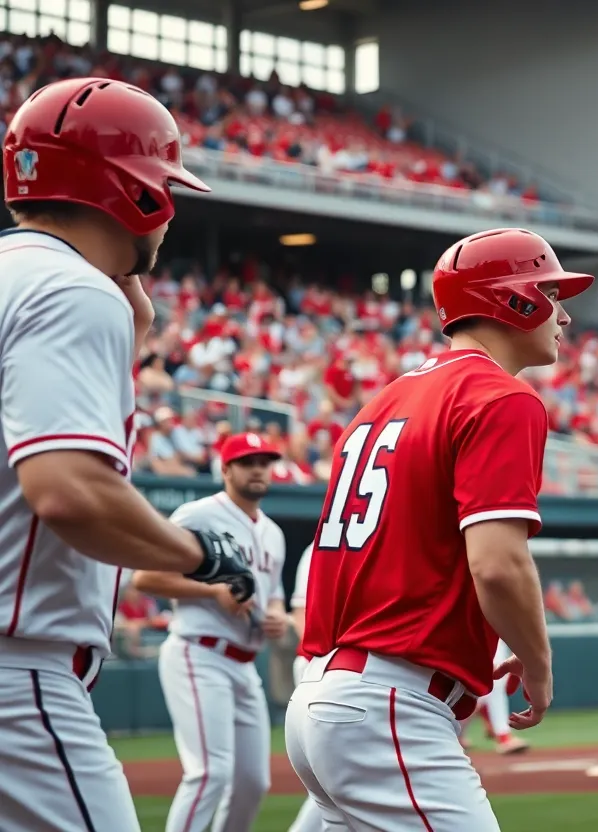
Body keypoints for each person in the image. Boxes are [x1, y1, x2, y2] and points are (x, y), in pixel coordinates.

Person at [0, 77, 254, 832]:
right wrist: (195, 553)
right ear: (133, 193)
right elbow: (69, 492)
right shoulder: (72, 289)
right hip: (18, 680)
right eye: (165, 187)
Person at [285, 228, 594, 831]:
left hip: (329, 695)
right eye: (551, 293)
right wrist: (537, 662)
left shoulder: (384, 399)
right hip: (389, 705)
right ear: (515, 299)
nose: (564, 314)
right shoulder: (501, 396)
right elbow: (498, 565)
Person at [131, 433, 289, 832]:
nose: (258, 469)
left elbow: (274, 596)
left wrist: (275, 614)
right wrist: (210, 591)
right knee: (210, 773)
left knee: (253, 781)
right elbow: (146, 577)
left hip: (244, 663)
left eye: (264, 462)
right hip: (199, 652)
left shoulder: (273, 532)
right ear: (225, 469)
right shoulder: (197, 514)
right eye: (248, 461)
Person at [286, 542, 322, 832]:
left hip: (336, 667)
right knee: (332, 780)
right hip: (318, 664)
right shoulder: (317, 547)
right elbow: (301, 611)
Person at [458, 639, 530, 755]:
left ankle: (502, 734)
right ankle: (500, 733)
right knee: (481, 683)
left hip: (491, 632)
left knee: (493, 681)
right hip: (466, 631)